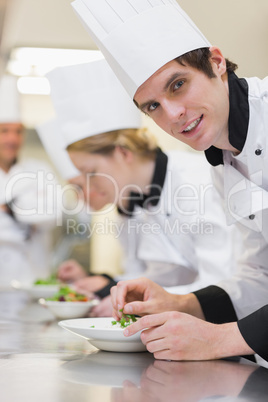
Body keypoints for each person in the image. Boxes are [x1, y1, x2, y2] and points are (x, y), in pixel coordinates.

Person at [71, 1, 268, 363]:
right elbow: (260, 276)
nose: (173, 115)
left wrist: (221, 339)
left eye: (178, 85)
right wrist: (180, 302)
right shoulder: (224, 161)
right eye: (152, 107)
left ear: (217, 62)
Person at [45, 58, 239, 317]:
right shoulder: (139, 200)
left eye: (90, 173)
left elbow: (224, 286)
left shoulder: (196, 183)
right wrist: (112, 288)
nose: (89, 187)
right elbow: (164, 276)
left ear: (123, 153)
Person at [0, 75, 58, 316]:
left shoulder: (40, 170)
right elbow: (39, 216)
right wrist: (30, 217)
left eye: (18, 131)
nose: (12, 139)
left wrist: (10, 210)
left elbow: (55, 214)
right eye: (4, 131)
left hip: (34, 282)